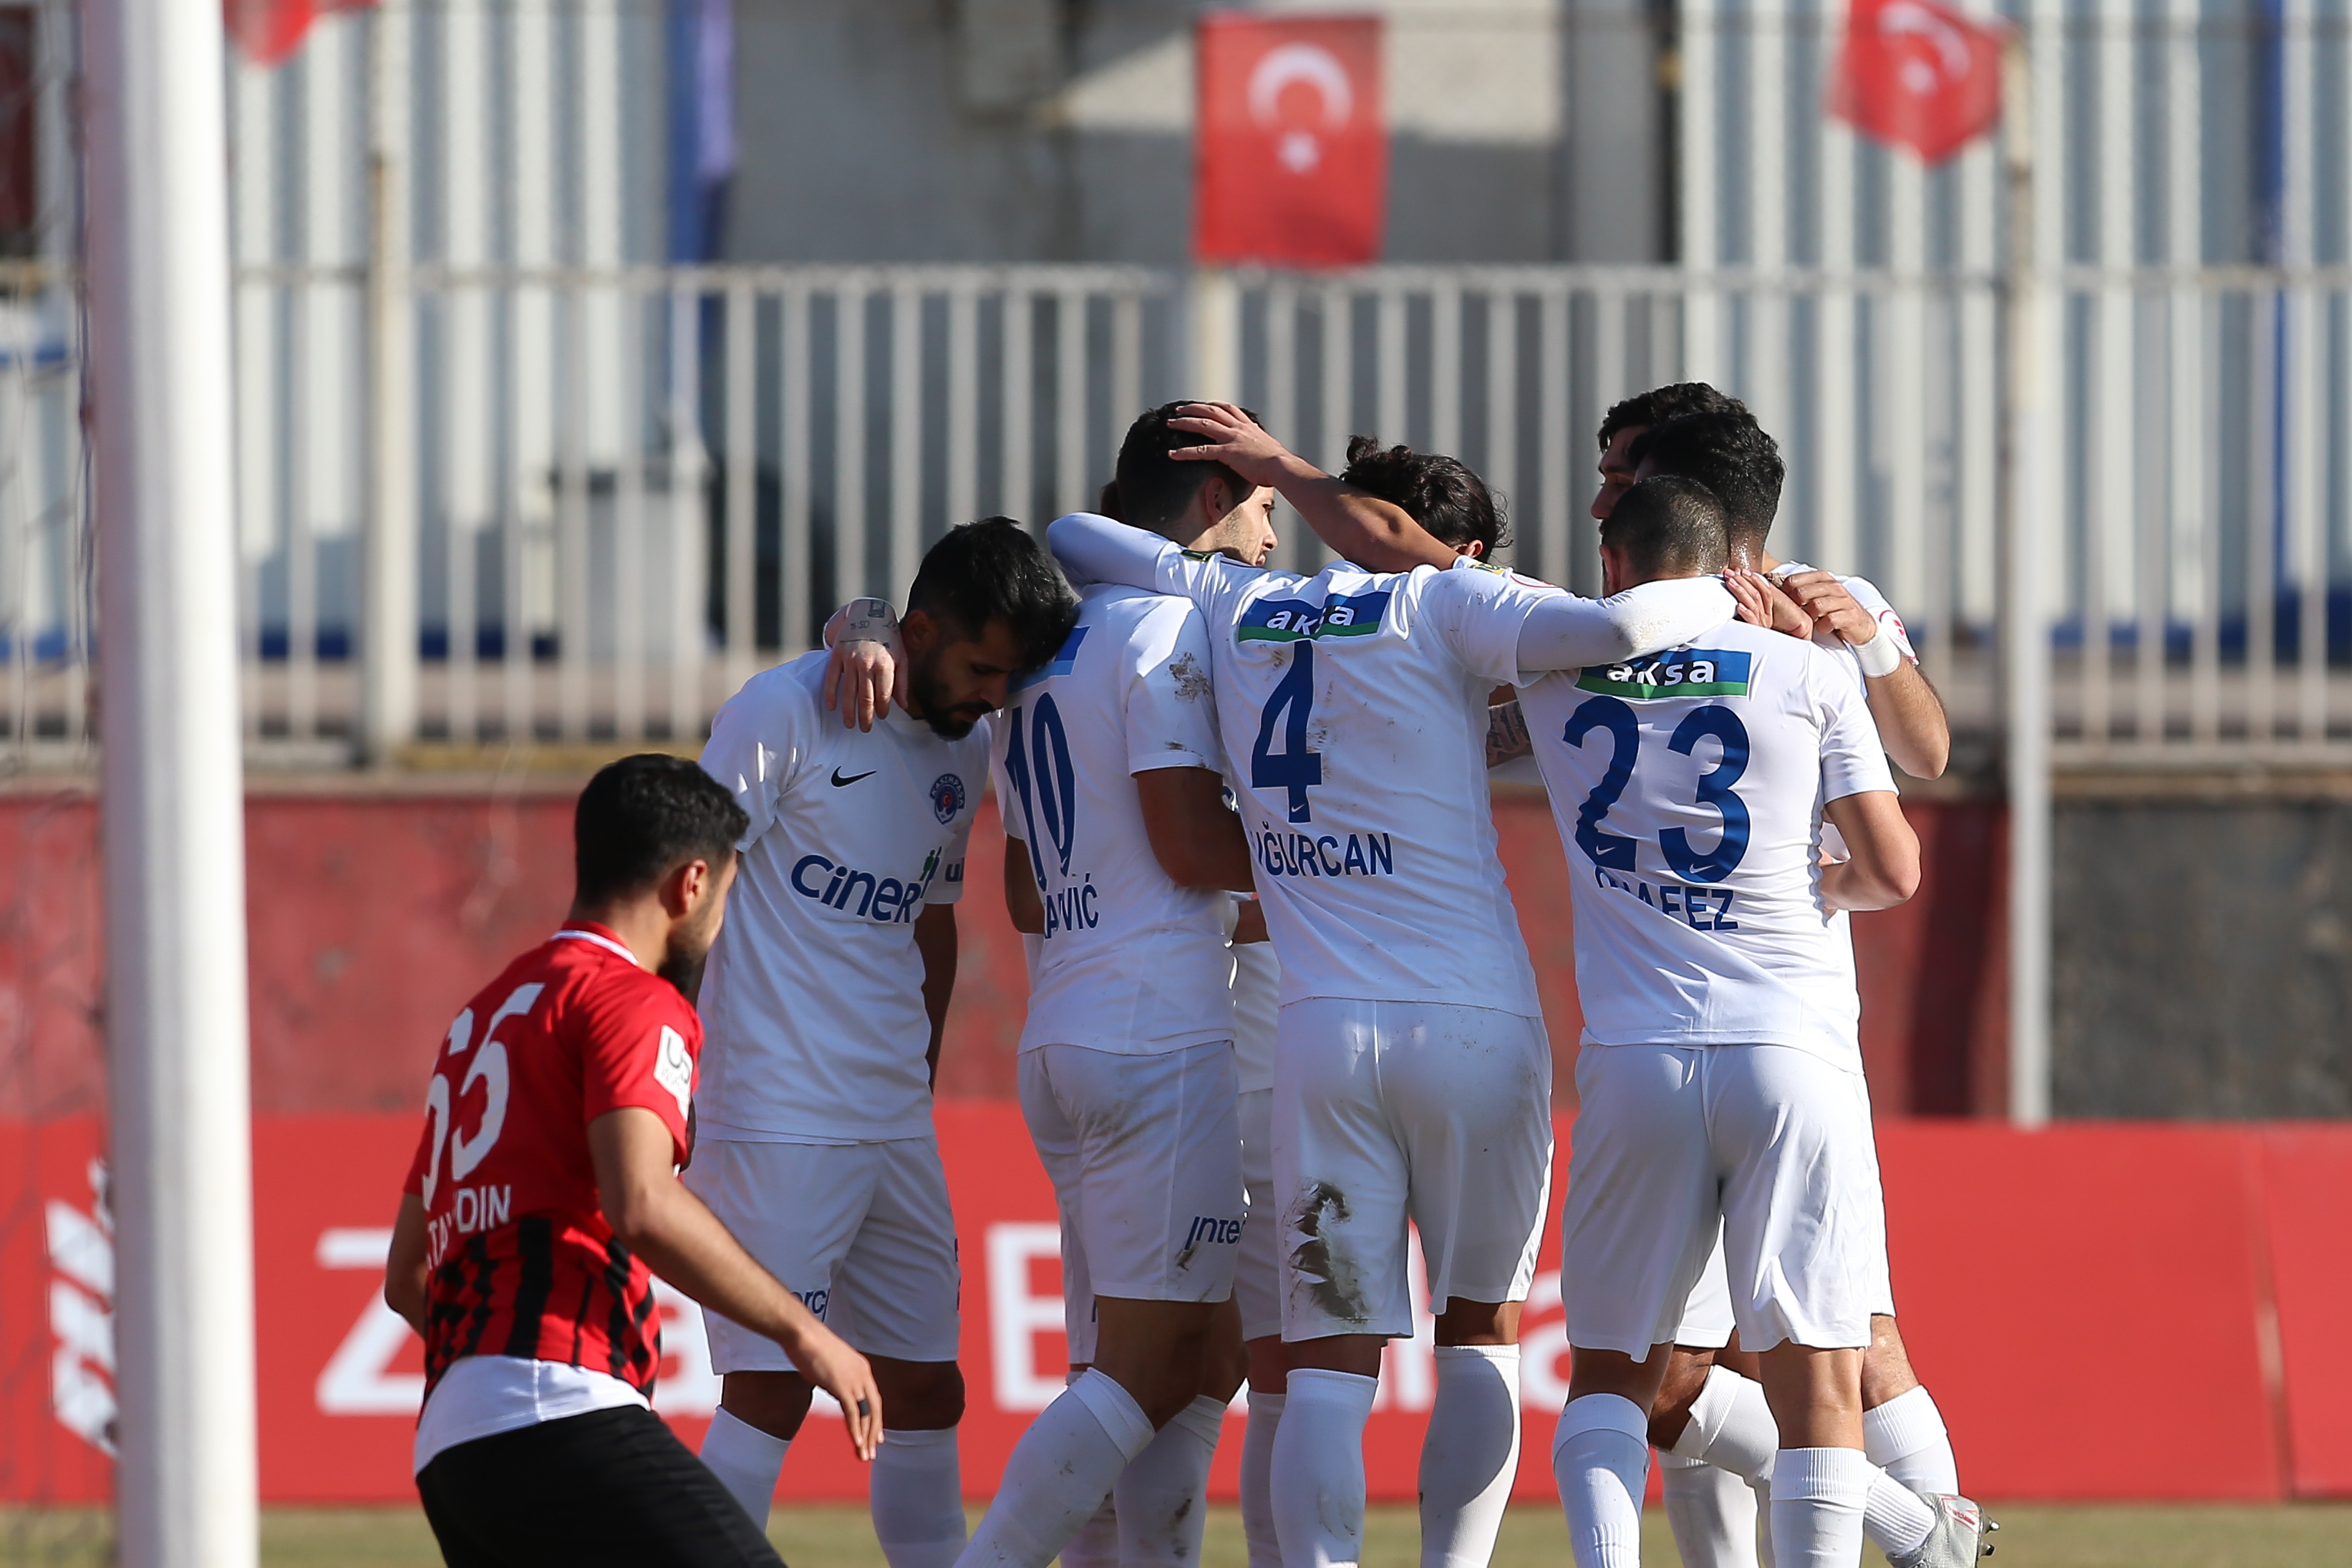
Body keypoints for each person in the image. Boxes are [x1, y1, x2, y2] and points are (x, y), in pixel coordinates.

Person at [1047, 405, 1739, 1568]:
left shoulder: (1240, 602)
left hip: (1321, 1039)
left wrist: (1278, 481)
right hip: (1469, 1028)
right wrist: (1746, 593)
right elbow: (1623, 627)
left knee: (1324, 1365)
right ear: (1427, 538)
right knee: (1479, 1337)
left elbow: (1077, 534)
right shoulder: (1449, 601)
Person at [1514, 475, 1976, 1568]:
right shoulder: (1805, 661)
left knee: (1610, 1378)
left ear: (1615, 562)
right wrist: (1821, 879)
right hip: (1787, 1049)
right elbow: (1893, 867)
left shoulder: (1551, 667)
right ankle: (1920, 1534)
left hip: (1638, 1056)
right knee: (1824, 1376)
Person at [687, 518, 1078, 1568]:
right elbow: (686, 888)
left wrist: (919, 1077)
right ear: (921, 631)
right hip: (774, 1108)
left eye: (1006, 678)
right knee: (769, 1390)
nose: (992, 695)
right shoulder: (785, 710)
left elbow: (930, 920)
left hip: (891, 1119)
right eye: (980, 669)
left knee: (925, 1389)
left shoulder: (964, 745)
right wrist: (672, 1063)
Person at [382, 754, 883, 1568]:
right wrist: (805, 1333)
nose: (717, 926)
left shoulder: (483, 1016)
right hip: (559, 1404)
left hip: (453, 1442)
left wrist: (491, 1364)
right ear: (692, 884)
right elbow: (643, 1202)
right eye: (724, 899)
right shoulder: (631, 997)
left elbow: (408, 1277)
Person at [931, 402, 1278, 1568]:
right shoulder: (1165, 631)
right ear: (1213, 499)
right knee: (1152, 1367)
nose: (1270, 541)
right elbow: (1186, 844)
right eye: (1263, 508)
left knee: (1184, 1357)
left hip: (1067, 1033)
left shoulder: (1046, 649)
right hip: (1156, 1040)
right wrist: (1318, 869)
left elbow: (1027, 892)